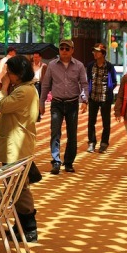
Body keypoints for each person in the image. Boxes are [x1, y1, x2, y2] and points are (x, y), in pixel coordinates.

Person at [0, 55, 39, 242]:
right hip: (15, 145)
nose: (7, 76)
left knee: (19, 188)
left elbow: (3, 106)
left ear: (19, 74)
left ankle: (29, 228)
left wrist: (2, 88)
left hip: (17, 147)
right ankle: (20, 225)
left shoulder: (24, 91)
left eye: (9, 73)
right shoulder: (24, 89)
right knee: (15, 188)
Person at [39, 39, 88, 174]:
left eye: (67, 49)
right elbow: (46, 85)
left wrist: (84, 100)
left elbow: (84, 84)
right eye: (62, 48)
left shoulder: (79, 66)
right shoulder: (52, 65)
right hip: (57, 104)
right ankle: (56, 162)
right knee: (55, 132)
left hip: (72, 104)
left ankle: (68, 162)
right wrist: (41, 102)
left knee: (72, 135)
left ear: (72, 50)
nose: (64, 51)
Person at [86, 43, 117, 154]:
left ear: (103, 53)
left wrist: (108, 90)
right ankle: (91, 142)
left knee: (106, 122)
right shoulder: (90, 66)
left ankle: (104, 143)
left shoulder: (109, 66)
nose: (95, 53)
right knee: (91, 121)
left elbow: (114, 81)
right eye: (94, 51)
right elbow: (87, 80)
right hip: (93, 97)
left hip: (105, 98)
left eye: (97, 51)